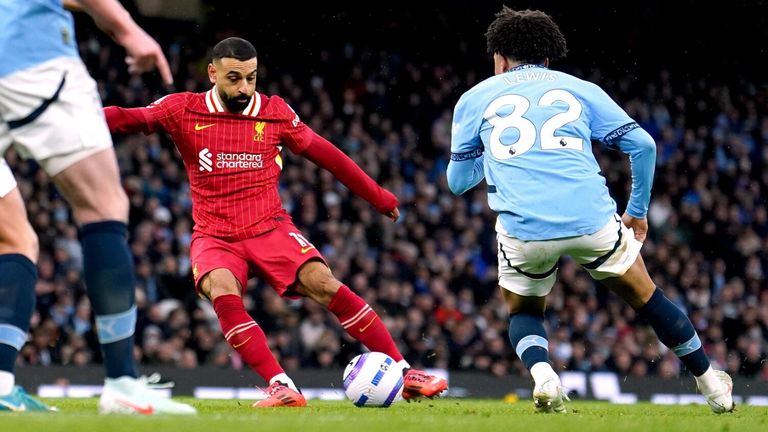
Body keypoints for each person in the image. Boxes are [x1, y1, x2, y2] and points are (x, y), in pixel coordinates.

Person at [104, 37, 449, 408]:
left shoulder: (275, 112)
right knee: (222, 291)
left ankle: (402, 370)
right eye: (234, 78)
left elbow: (328, 155)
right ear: (212, 72)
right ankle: (281, 385)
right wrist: (67, 118)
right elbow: (128, 118)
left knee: (324, 283)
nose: (244, 87)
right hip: (215, 235)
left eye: (251, 78)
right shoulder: (182, 109)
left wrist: (378, 197)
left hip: (270, 228)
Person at [447, 7, 733, 414]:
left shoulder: (473, 99)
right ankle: (713, 388)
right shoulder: (579, 88)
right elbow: (644, 145)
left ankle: (544, 375)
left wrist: (489, 153)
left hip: (523, 229)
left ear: (500, 57)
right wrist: (637, 212)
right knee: (648, 299)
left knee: (524, 310)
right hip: (590, 219)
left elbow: (457, 184)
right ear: (547, 58)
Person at [0, 0, 195, 414]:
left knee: (13, 239)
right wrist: (126, 29)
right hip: (25, 54)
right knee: (103, 206)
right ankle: (122, 381)